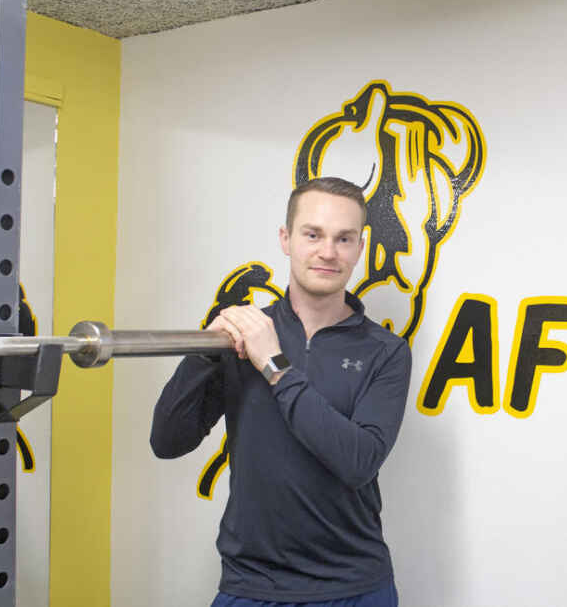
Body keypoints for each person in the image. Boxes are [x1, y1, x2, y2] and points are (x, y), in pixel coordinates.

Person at [150, 177, 412, 606]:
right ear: (286, 239)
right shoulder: (243, 334)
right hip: (253, 584)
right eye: (313, 235)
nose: (328, 252)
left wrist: (274, 365)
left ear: (359, 248)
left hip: (353, 587)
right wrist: (204, 353)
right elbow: (167, 442)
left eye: (344, 239)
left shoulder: (385, 351)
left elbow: (358, 461)